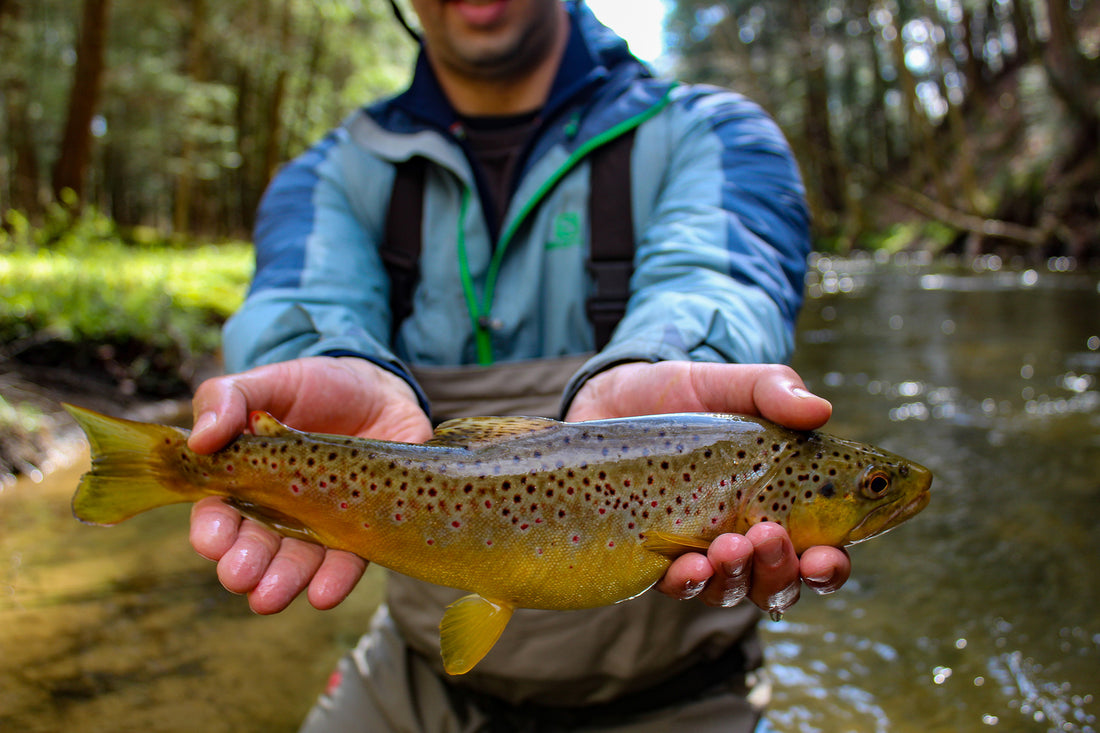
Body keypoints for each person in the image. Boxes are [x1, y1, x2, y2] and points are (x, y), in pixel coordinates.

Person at [186, 0, 851, 729]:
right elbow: (302, 303)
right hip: (415, 681)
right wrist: (318, 376)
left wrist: (676, 382)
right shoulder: (331, 175)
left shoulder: (719, 135)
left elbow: (721, 281)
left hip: (680, 694)